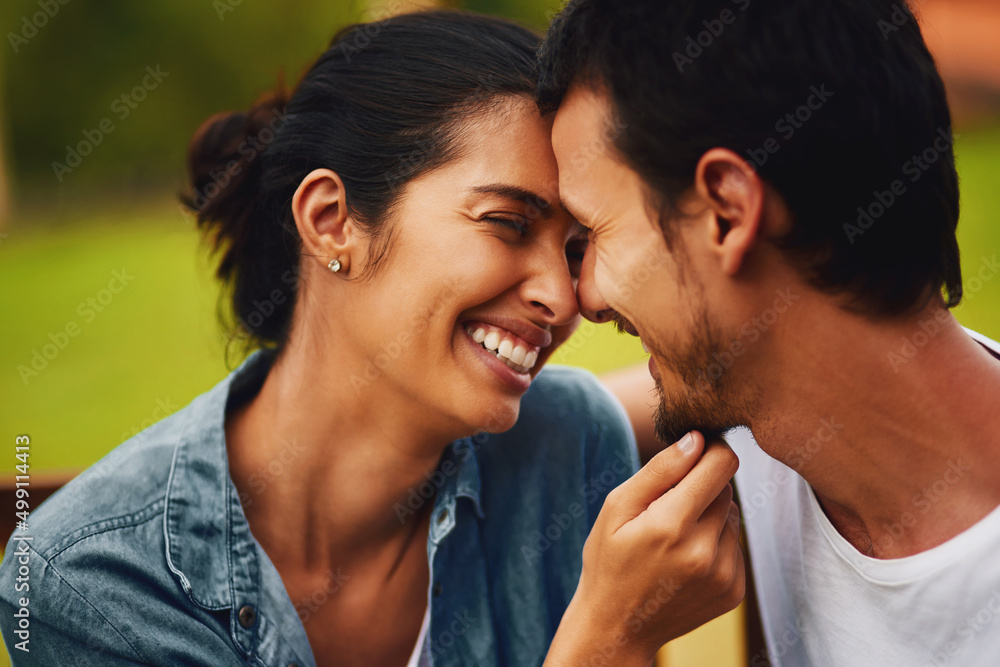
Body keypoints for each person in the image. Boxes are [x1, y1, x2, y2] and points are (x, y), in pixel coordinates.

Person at [0, 10, 744, 666]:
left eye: (576, 247)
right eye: (508, 223)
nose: (562, 294)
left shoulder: (566, 443)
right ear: (332, 221)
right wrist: (605, 642)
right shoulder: (89, 577)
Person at [539, 0, 1000, 664]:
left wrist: (611, 639)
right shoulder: (757, 404)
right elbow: (529, 426)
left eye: (592, 235)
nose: (583, 298)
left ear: (726, 211)